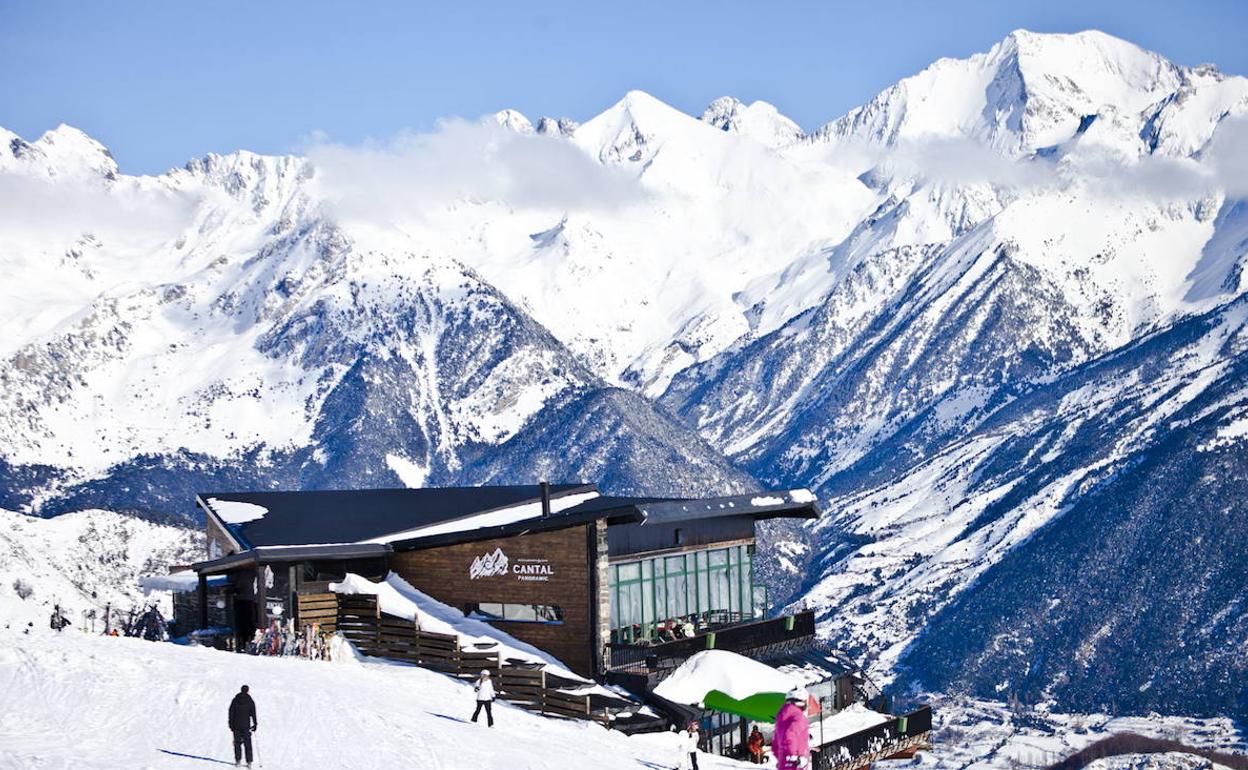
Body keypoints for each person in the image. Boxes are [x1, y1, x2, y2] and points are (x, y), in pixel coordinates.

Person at [773, 687, 812, 770]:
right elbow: (789, 735)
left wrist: (782, 758)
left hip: (784, 763)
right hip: (795, 764)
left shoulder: (781, 716)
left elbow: (775, 743)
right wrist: (794, 757)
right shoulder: (798, 716)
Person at [228, 685, 258, 767]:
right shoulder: (250, 700)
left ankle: (238, 761)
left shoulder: (235, 700)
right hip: (246, 726)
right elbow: (253, 713)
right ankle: (249, 762)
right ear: (247, 690)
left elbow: (231, 712)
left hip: (236, 725)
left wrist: (230, 724)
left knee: (237, 743)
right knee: (247, 743)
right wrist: (255, 724)